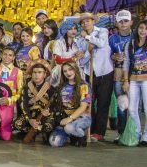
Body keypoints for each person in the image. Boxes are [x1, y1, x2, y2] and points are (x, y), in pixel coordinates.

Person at [79, 12, 113, 142]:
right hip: (90, 73)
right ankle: (90, 130)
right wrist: (87, 51)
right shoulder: (80, 38)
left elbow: (102, 43)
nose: (85, 23)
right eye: (83, 22)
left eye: (88, 21)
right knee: (90, 103)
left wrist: (88, 37)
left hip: (105, 72)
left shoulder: (102, 31)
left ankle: (100, 132)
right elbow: (82, 61)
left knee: (103, 103)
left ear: (93, 21)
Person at [14, 60, 59, 144]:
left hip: (44, 116)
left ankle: (37, 132)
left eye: (39, 72)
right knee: (17, 124)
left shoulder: (51, 89)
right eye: (34, 72)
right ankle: (32, 131)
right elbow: (23, 105)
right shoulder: (26, 88)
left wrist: (49, 112)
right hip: (30, 114)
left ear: (45, 74)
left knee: (49, 126)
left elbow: (55, 105)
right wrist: (30, 119)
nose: (36, 75)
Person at [49, 62, 92, 147]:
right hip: (64, 118)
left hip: (81, 117)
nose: (68, 73)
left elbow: (83, 106)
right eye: (65, 71)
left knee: (69, 128)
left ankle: (80, 136)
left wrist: (70, 118)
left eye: (70, 69)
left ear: (76, 69)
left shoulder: (84, 85)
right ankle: (69, 134)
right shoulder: (61, 86)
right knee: (54, 142)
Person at [122, 20, 147, 146]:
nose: (143, 31)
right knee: (132, 109)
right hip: (133, 80)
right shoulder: (130, 44)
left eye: (146, 29)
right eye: (141, 28)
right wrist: (125, 81)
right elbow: (126, 63)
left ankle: (146, 136)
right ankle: (136, 133)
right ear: (137, 29)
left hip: (146, 81)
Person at [110, 10, 133, 136]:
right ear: (117, 23)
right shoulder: (112, 39)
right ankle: (122, 133)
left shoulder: (137, 36)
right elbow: (107, 56)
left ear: (131, 22)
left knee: (135, 105)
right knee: (121, 104)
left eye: (126, 21)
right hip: (118, 75)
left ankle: (136, 132)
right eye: (120, 21)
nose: (123, 23)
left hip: (135, 75)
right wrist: (114, 56)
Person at [52, 21, 89, 86]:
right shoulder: (59, 42)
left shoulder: (77, 43)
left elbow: (81, 60)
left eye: (75, 28)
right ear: (65, 30)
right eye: (70, 29)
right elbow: (57, 60)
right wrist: (74, 58)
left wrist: (82, 55)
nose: (73, 31)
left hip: (76, 71)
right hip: (62, 71)